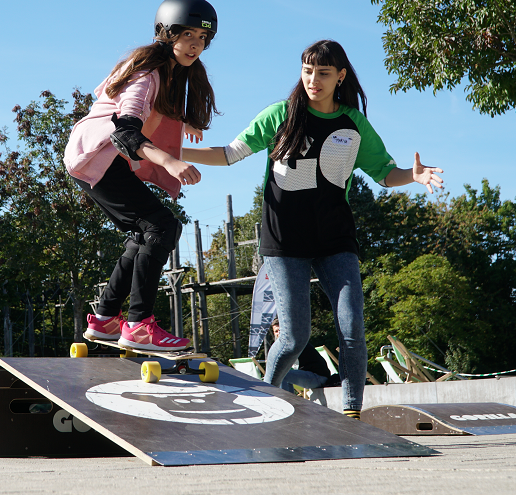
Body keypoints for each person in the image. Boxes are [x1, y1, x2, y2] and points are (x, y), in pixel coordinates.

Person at [182, 39, 444, 418]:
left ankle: (352, 415)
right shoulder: (280, 116)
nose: (313, 80)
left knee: (352, 328)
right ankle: (263, 404)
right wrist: (174, 151)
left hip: (335, 238)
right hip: (284, 242)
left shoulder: (353, 124)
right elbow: (227, 154)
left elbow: (385, 174)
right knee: (292, 338)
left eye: (322, 73)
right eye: (307, 71)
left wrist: (413, 176)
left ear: (340, 77)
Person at [64, 0, 219, 351]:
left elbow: (160, 114)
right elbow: (126, 131)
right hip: (98, 155)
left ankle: (104, 319)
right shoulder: (146, 73)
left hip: (100, 158)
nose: (195, 44)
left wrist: (184, 123)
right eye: (187, 35)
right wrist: (170, 161)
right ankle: (138, 324)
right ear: (166, 33)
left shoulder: (176, 72)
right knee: (163, 225)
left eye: (202, 38)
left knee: (143, 232)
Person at [268, 318, 337, 394]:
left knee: (281, 375)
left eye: (280, 330)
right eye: (276, 331)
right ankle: (288, 401)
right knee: (280, 374)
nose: (278, 333)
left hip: (318, 378)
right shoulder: (283, 345)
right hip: (307, 376)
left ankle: (287, 402)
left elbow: (284, 365)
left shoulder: (294, 343)